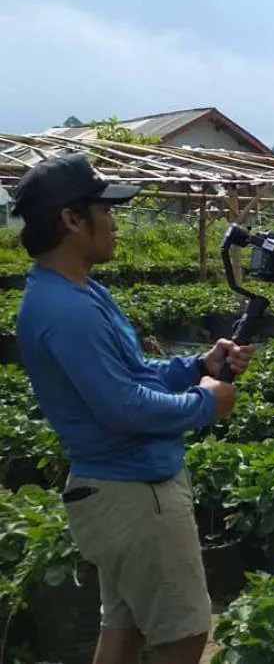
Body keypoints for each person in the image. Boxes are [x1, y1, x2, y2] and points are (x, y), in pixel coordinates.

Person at [12, 152, 254, 664]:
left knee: (123, 630)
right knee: (184, 635)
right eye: (106, 211)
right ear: (71, 219)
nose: (116, 224)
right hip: (133, 494)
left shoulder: (81, 292)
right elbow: (122, 407)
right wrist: (204, 404)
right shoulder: (66, 309)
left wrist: (196, 366)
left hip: (119, 490)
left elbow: (134, 374)